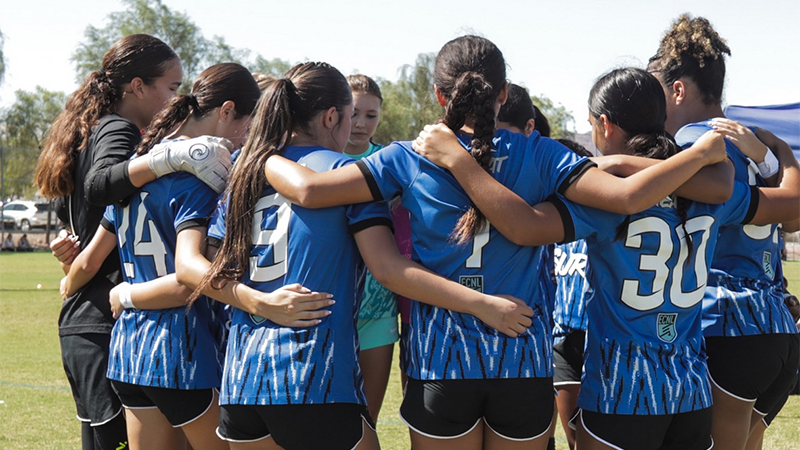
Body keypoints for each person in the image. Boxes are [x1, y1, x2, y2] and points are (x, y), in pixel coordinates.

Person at [263, 36, 732, 450]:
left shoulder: (408, 156)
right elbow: (630, 196)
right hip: (523, 359)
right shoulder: (544, 152)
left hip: (441, 363)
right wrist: (700, 156)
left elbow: (307, 189)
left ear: (440, 95)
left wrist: (260, 154)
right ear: (503, 94)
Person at [412, 66, 799, 450]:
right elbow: (791, 204)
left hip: (623, 390)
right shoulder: (712, 192)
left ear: (605, 125)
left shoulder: (602, 198)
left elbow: (524, 226)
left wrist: (459, 163)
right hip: (690, 390)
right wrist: (781, 152)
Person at [197, 61, 531, 450]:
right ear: (332, 116)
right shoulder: (348, 176)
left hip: (242, 384)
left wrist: (257, 301)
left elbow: (207, 270)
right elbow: (389, 270)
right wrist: (482, 305)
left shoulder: (245, 173)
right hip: (312, 378)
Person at [32, 34, 232, 450]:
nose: (177, 99)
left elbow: (84, 216)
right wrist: (168, 158)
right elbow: (100, 183)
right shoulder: (119, 128)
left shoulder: (89, 129)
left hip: (95, 317)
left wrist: (73, 265)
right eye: (172, 88)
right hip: (114, 319)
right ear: (137, 86)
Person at [648, 15, 800, 450]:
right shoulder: (753, 140)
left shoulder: (688, 148)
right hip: (775, 324)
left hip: (724, 321)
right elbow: (790, 216)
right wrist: (781, 155)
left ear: (677, 89)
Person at [342, 74, 402, 423]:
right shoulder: (312, 162)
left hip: (378, 308)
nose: (361, 124)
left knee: (366, 421)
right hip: (326, 308)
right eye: (354, 113)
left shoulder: (391, 162)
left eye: (371, 115)